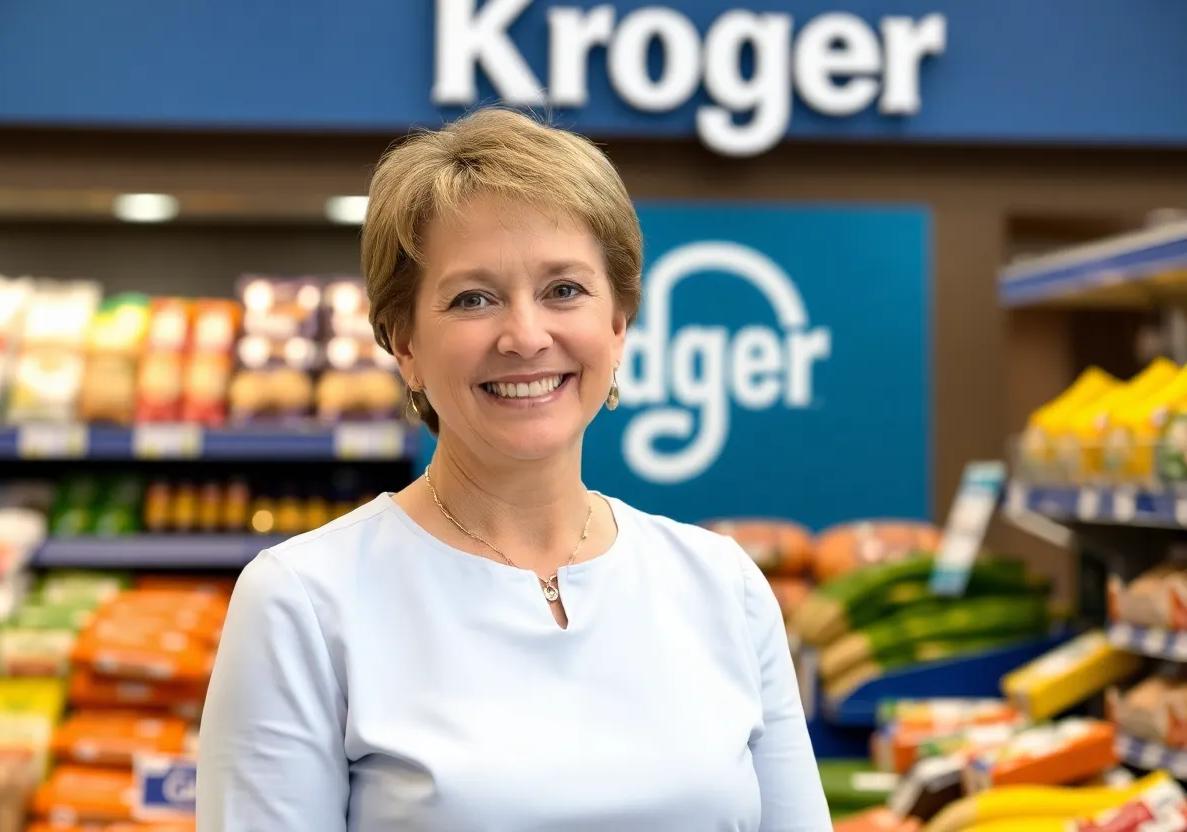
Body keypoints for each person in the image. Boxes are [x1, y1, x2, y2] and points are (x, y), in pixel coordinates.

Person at [196, 106, 832, 832]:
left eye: (564, 290)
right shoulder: (304, 603)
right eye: (475, 298)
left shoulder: (724, 587)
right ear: (404, 343)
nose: (526, 337)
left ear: (619, 323)